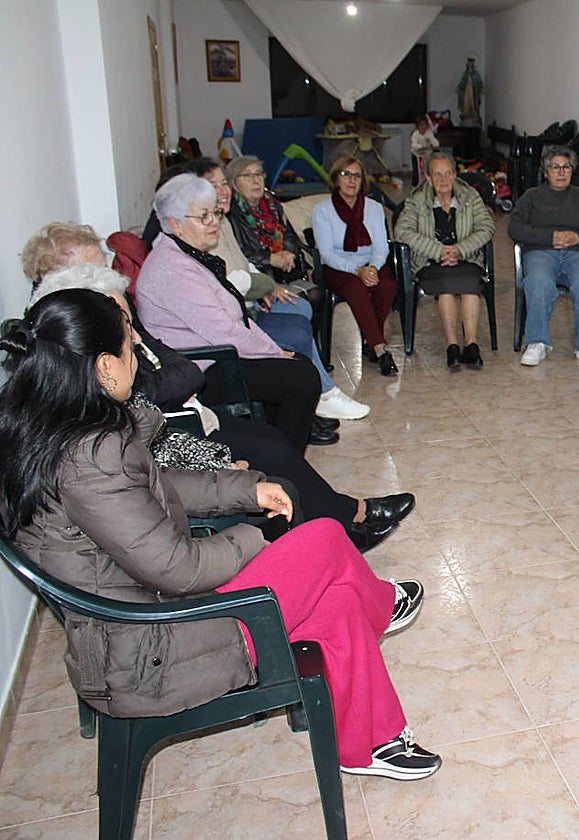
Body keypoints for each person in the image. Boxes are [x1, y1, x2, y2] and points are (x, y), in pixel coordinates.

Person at [0, 288, 442, 781]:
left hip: (143, 618)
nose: (137, 359)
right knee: (322, 539)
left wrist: (246, 491)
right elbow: (181, 569)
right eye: (129, 347)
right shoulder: (90, 455)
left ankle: (369, 743)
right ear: (104, 367)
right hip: (153, 649)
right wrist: (261, 537)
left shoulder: (48, 425)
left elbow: (156, 487)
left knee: (336, 599)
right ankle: (381, 603)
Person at [29, 263, 413, 553]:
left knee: (274, 438)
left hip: (184, 423)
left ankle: (340, 519)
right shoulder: (95, 439)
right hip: (183, 431)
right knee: (275, 452)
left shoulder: (107, 389)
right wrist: (221, 466)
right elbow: (160, 425)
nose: (132, 334)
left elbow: (179, 372)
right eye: (122, 327)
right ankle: (344, 522)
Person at [136, 174, 324, 453]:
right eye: (204, 216)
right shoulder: (172, 269)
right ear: (175, 224)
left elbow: (236, 317)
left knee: (297, 368)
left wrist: (273, 351)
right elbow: (223, 331)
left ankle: (280, 452)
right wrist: (274, 353)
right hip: (200, 367)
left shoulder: (189, 255)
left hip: (217, 355)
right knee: (301, 379)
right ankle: (285, 456)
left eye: (215, 213)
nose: (214, 222)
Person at [508, 145, 579, 368]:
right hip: (541, 251)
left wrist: (577, 237)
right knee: (538, 281)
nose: (561, 172)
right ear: (546, 172)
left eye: (566, 167)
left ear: (572, 171)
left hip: (578, 253)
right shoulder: (532, 196)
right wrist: (549, 237)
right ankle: (537, 342)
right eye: (555, 167)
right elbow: (514, 228)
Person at [394, 151, 496, 371]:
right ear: (428, 178)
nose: (443, 179)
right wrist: (438, 251)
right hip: (430, 262)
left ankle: (471, 345)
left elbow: (487, 227)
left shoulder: (469, 196)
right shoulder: (417, 199)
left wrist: (460, 249)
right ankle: (452, 346)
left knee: (470, 285)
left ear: (455, 174)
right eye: (437, 174)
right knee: (447, 287)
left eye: (448, 173)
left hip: (466, 259)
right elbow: (402, 231)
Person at [311, 155, 400, 377]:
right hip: (338, 267)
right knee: (356, 287)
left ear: (362, 181)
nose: (351, 180)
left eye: (357, 176)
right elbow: (327, 254)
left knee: (387, 286)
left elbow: (381, 246)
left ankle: (370, 340)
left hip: (370, 263)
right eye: (346, 174)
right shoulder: (323, 210)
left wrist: (373, 267)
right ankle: (380, 348)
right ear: (335, 179)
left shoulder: (374, 208)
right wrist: (357, 271)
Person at [225, 155, 309, 285]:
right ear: (234, 182)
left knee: (314, 292)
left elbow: (289, 235)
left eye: (258, 174)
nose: (256, 180)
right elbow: (235, 254)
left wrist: (289, 254)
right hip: (253, 276)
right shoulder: (229, 212)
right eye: (247, 175)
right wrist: (270, 259)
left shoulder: (273, 204)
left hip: (284, 271)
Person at [410, 116, 439, 186]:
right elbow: (413, 144)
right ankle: (415, 184)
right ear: (417, 126)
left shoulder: (429, 133)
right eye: (421, 125)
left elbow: (434, 141)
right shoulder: (415, 134)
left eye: (425, 125)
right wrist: (421, 147)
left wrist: (435, 144)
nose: (423, 127)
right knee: (417, 171)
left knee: (428, 168)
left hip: (427, 155)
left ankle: (428, 182)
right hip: (417, 155)